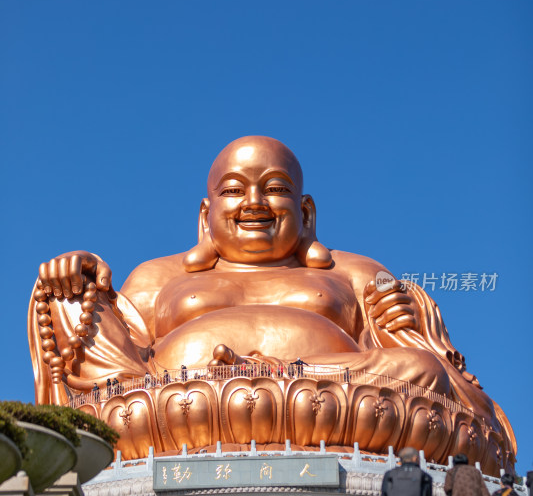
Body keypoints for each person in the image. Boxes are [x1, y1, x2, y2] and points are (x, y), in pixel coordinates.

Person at [31, 136, 514, 471]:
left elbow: (440, 375)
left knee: (416, 369)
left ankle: (274, 380)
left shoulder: (356, 272)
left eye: (276, 188)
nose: (255, 202)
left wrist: (409, 327)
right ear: (206, 213)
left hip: (331, 402)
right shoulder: (159, 275)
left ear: (305, 211)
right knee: (70, 305)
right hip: (179, 402)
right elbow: (114, 362)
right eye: (235, 190)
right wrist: (79, 281)